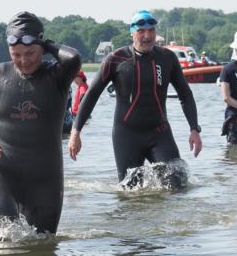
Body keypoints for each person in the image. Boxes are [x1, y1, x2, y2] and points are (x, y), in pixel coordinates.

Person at [0, 12, 82, 233]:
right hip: (1, 169)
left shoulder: (56, 76)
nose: (24, 60)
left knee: (43, 242)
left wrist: (46, 45)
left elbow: (73, 58)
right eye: (16, 54)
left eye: (30, 53)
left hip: (46, 178)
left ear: (42, 47)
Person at [68, 10, 202, 186]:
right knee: (130, 191)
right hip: (127, 135)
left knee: (177, 184)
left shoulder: (167, 58)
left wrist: (194, 129)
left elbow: (185, 94)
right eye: (141, 31)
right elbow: (92, 95)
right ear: (132, 33)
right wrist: (75, 131)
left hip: (160, 133)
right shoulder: (115, 60)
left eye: (151, 31)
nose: (147, 36)